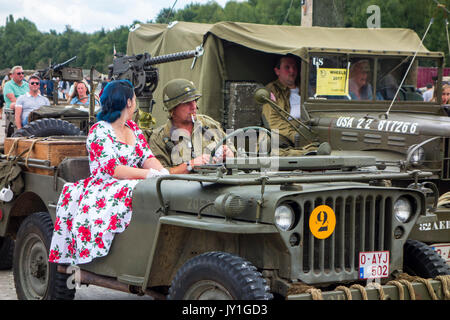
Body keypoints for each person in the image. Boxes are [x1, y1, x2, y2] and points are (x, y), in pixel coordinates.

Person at [48, 79, 168, 265]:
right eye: (134, 98)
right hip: (104, 186)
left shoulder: (133, 128)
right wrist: (148, 175)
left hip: (130, 180)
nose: (135, 102)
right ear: (128, 102)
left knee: (159, 187)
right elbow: (113, 169)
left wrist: (163, 172)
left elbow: (147, 157)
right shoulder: (99, 131)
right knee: (135, 189)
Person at [149, 78, 234, 174]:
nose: (193, 107)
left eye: (195, 100)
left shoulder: (209, 124)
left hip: (219, 184)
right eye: (187, 103)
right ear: (172, 108)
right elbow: (159, 173)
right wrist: (190, 165)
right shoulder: (159, 138)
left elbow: (240, 155)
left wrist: (230, 155)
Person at [261, 55, 321, 156]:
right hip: (284, 132)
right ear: (277, 71)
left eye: (294, 67)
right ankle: (303, 154)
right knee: (271, 145)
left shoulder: (306, 88)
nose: (292, 71)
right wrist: (294, 135)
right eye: (287, 67)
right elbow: (272, 120)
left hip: (308, 129)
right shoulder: (272, 90)